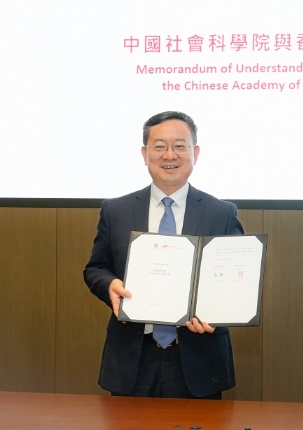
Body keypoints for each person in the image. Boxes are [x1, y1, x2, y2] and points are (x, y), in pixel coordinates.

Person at [84, 111, 243, 398]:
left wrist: (217, 310)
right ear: (145, 154)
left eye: (180, 146)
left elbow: (234, 280)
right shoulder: (116, 210)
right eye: (159, 146)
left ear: (195, 153)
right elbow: (96, 269)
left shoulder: (221, 213)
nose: (170, 155)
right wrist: (109, 285)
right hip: (133, 358)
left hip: (199, 359)